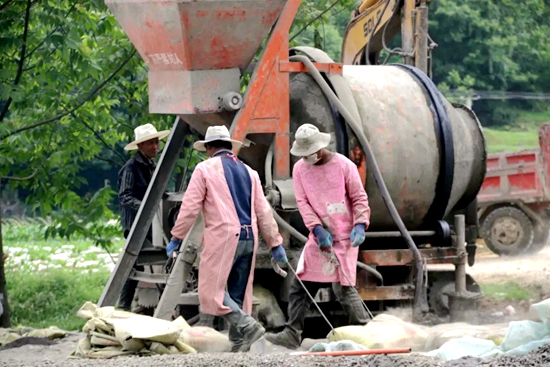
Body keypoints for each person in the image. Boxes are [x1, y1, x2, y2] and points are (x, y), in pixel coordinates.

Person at [167, 125, 287, 353]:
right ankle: (238, 343)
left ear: (209, 148)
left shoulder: (204, 169)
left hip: (223, 238)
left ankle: (248, 326)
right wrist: (275, 243)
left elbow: (190, 207)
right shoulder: (250, 172)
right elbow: (264, 211)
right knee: (238, 294)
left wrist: (176, 236)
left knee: (211, 291)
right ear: (230, 147)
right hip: (249, 238)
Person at [265, 123, 371, 349]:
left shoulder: (344, 166)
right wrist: (316, 228)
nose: (306, 158)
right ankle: (292, 333)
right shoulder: (300, 169)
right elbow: (302, 202)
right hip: (320, 235)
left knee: (343, 287)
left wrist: (360, 224)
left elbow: (359, 198)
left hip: (345, 236)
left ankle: (363, 331)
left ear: (320, 148)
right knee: (301, 285)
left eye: (309, 153)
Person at [117, 123, 170, 312]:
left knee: (138, 266)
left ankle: (128, 306)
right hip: (136, 226)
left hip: (151, 225)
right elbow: (124, 197)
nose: (155, 146)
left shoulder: (151, 166)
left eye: (156, 142)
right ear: (140, 146)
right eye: (150, 143)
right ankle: (124, 306)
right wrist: (147, 208)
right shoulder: (131, 168)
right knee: (134, 265)